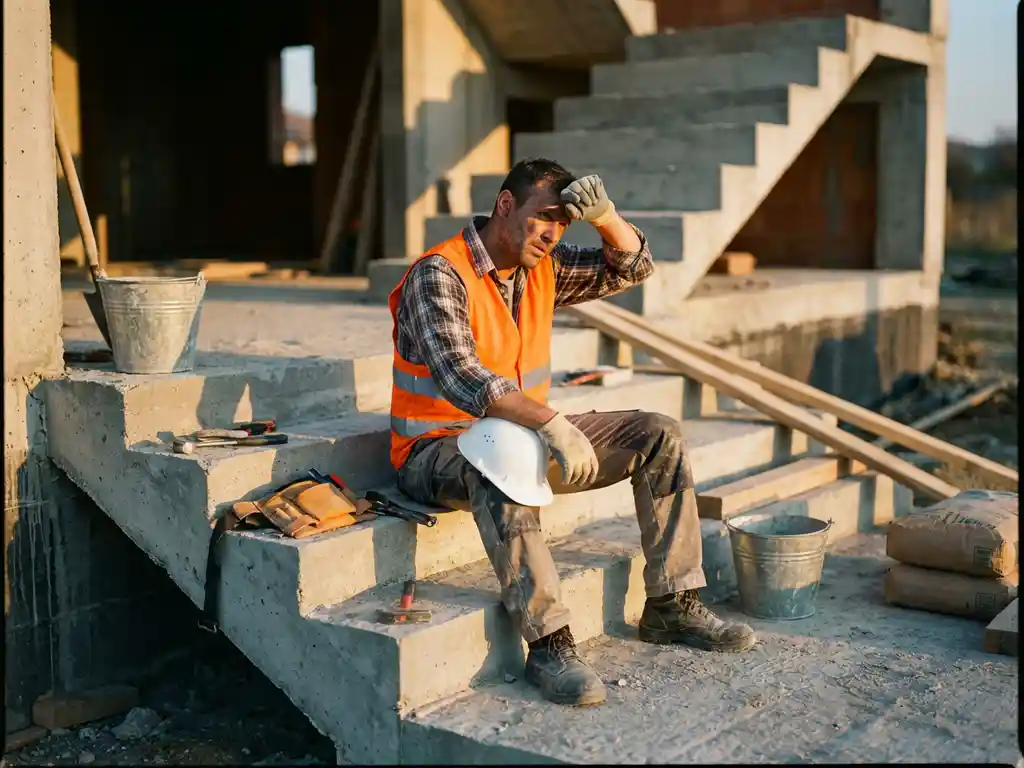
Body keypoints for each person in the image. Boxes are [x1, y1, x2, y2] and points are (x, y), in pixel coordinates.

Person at [388, 158, 756, 707]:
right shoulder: (439, 272)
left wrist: (605, 218)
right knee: (501, 462)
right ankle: (551, 643)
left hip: (521, 437)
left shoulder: (544, 268)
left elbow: (633, 267)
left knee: (658, 434)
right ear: (506, 205)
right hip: (435, 449)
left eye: (564, 223)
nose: (553, 234)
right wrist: (551, 423)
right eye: (545, 218)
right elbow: (463, 377)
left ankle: (672, 605)